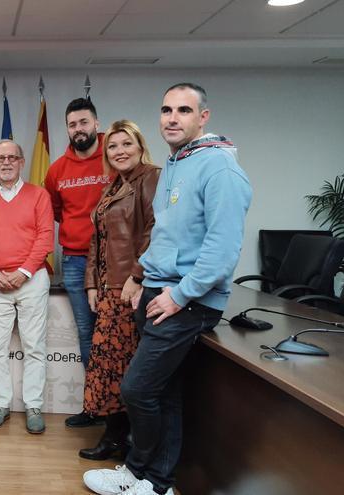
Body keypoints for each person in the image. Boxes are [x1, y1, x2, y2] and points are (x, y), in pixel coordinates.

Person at [83, 83, 252, 495]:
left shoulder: (220, 168)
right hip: (156, 291)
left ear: (203, 117)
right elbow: (163, 237)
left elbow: (222, 249)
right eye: (166, 110)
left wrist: (178, 295)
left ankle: (146, 474)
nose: (172, 118)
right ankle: (154, 479)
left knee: (136, 388)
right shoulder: (180, 162)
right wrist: (142, 279)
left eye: (183, 110)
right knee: (165, 392)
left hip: (185, 302)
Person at [78, 120, 160, 462]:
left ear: (140, 146)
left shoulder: (151, 178)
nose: (119, 151)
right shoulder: (113, 186)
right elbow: (97, 239)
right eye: (113, 146)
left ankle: (130, 442)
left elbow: (157, 232)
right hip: (110, 289)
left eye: (126, 144)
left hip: (132, 290)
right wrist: (92, 282)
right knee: (110, 366)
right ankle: (115, 436)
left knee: (125, 369)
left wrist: (137, 276)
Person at [0, 139, 53, 434]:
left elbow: (45, 237)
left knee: (34, 347)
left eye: (12, 157)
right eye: (0, 158)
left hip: (31, 281)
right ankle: (1, 404)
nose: (6, 162)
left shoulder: (39, 195)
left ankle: (33, 405)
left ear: (21, 162)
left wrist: (23, 272)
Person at [43, 97, 112, 428]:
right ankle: (95, 405)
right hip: (74, 259)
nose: (78, 129)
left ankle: (121, 411)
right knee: (87, 332)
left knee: (116, 332)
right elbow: (56, 212)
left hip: (114, 261)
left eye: (84, 122)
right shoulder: (57, 169)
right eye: (72, 124)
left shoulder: (114, 158)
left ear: (96, 124)